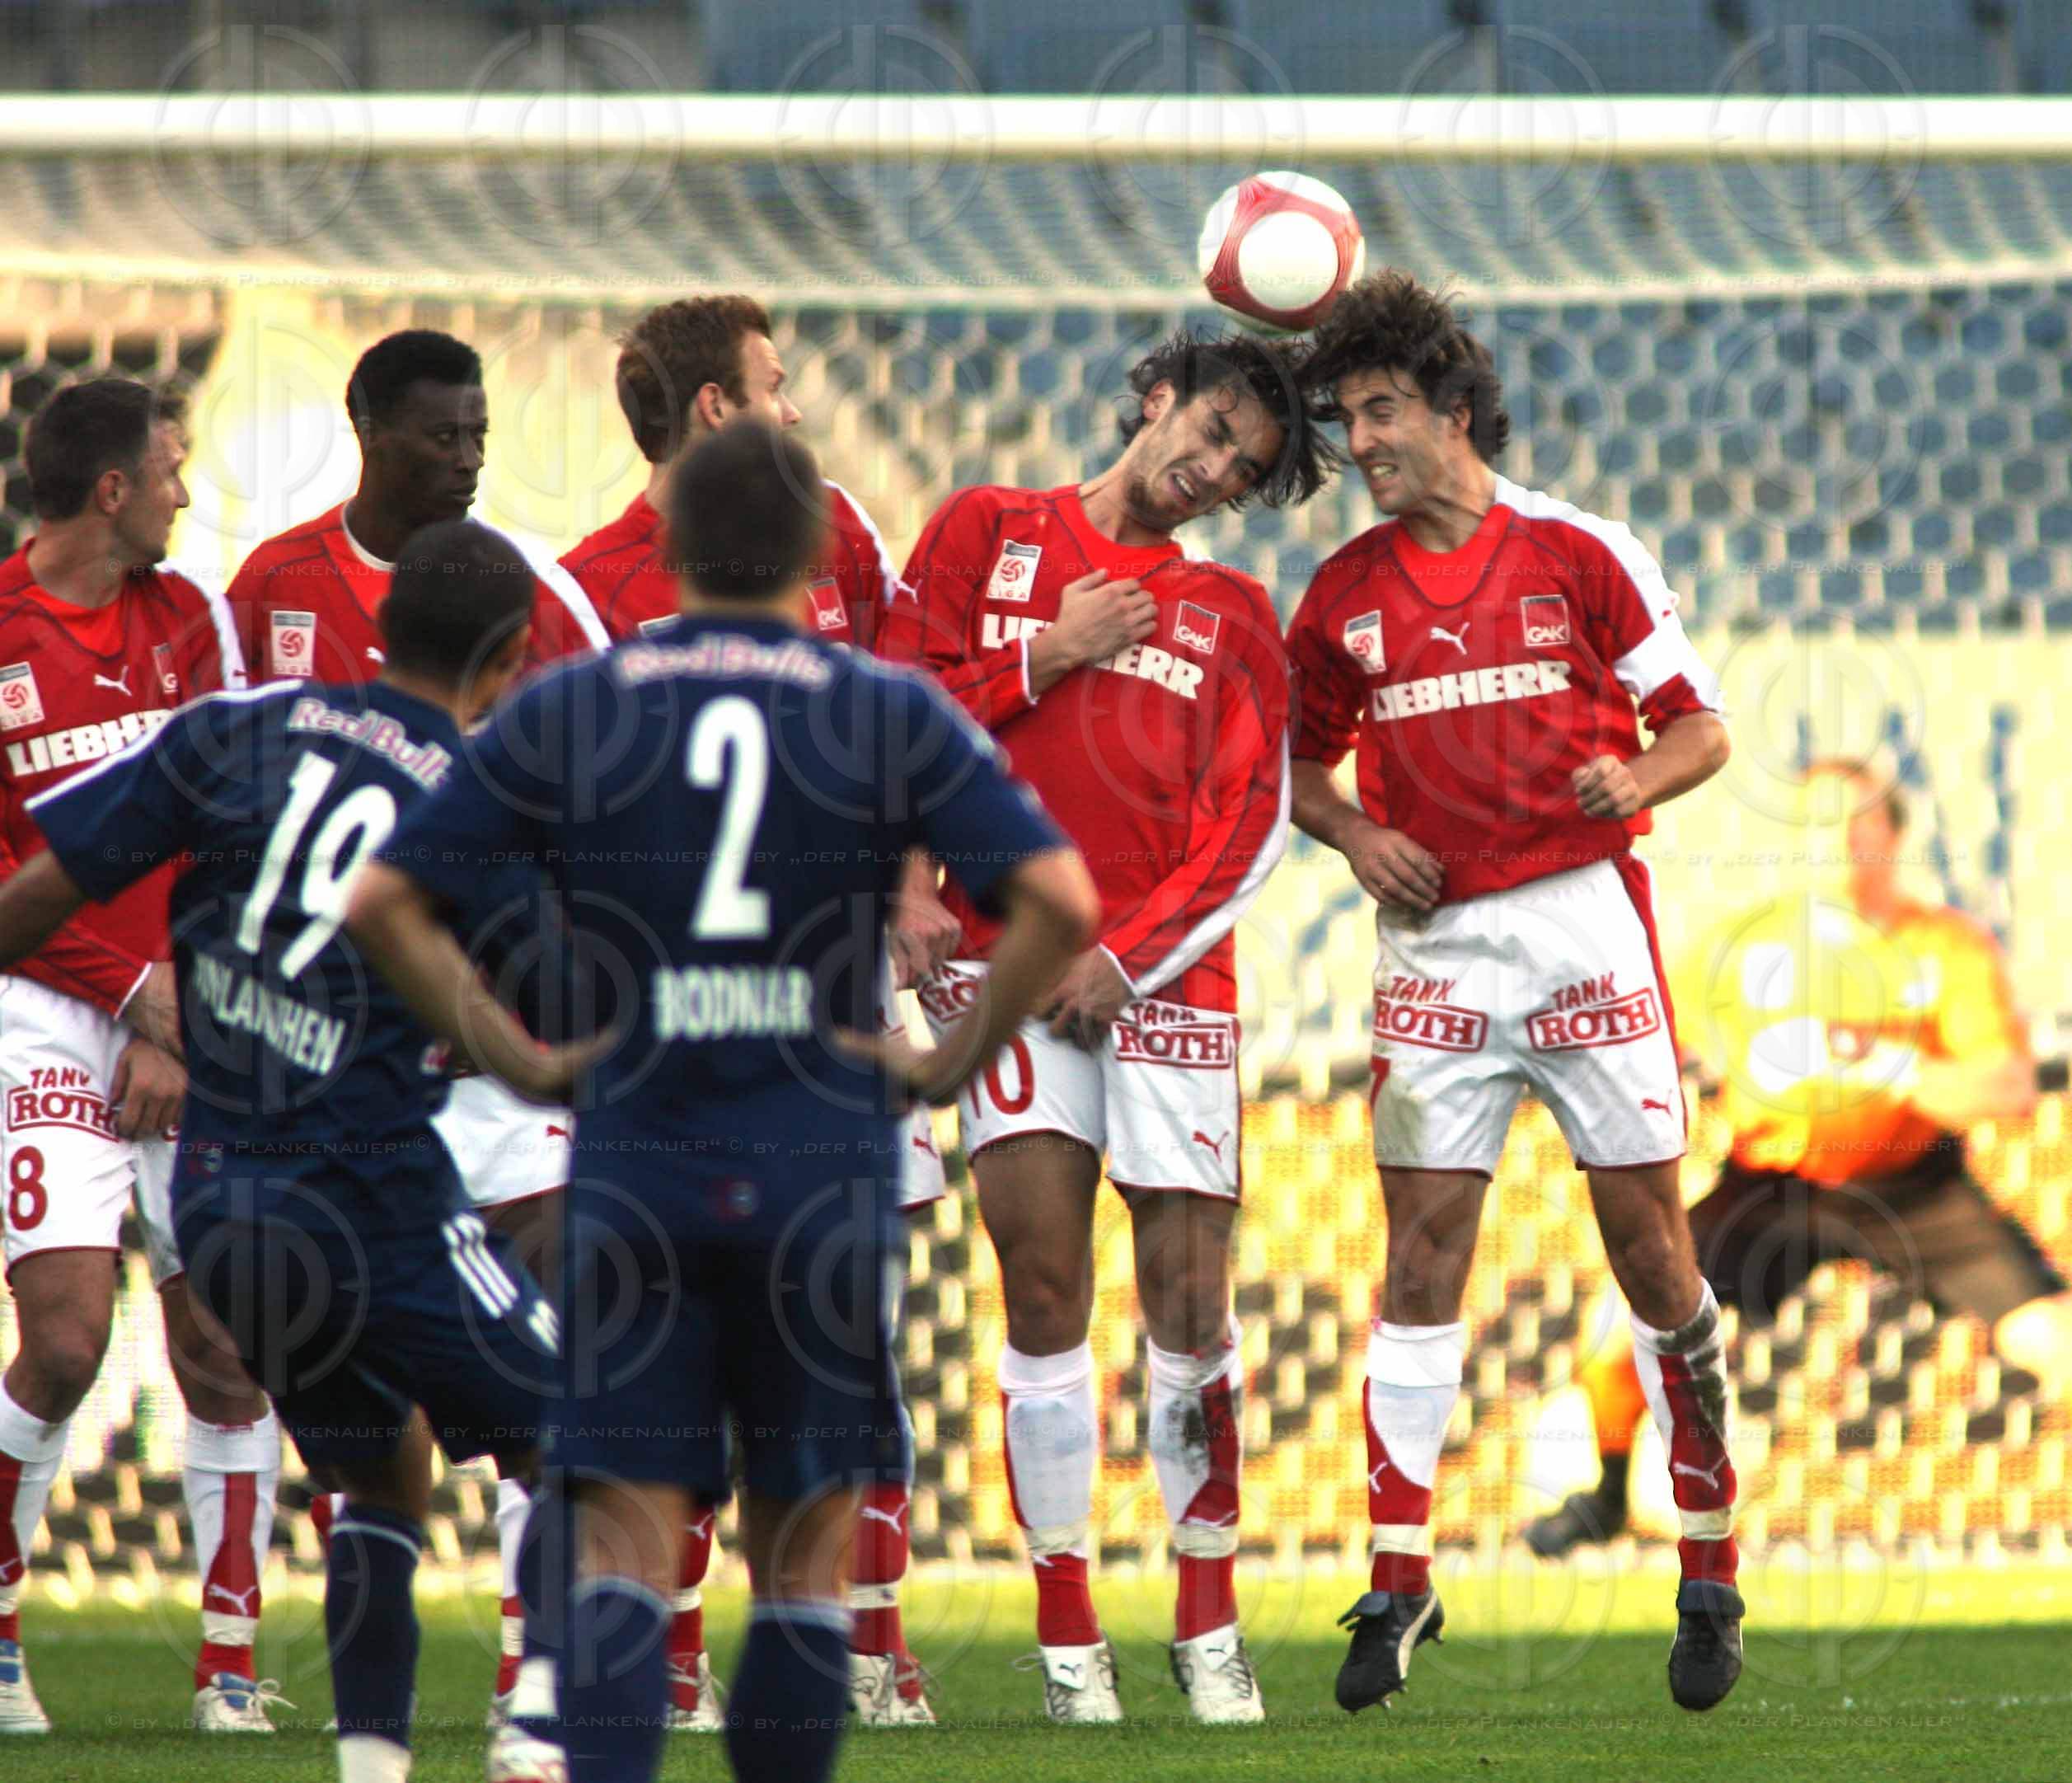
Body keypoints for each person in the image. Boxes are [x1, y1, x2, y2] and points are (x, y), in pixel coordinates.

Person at [348, 419, 1096, 1783]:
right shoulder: (884, 708)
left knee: (625, 1544)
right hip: (817, 1170)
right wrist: (943, 1061)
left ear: (673, 544)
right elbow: (1058, 897)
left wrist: (517, 1052)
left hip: (639, 1167)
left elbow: (386, 897)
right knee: (801, 1561)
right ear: (815, 548)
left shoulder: (579, 703)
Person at [0, 518, 582, 1783]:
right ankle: (539, 1730)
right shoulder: (475, 797)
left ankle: (371, 1766)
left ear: (383, 629)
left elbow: (46, 886)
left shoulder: (233, 726)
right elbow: (541, 1003)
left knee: (378, 1474)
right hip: (374, 1191)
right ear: (505, 663)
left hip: (225, 1202)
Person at [1282, 272, 1740, 1714]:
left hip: (1580, 924)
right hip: (1434, 949)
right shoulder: (1341, 596)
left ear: (1452, 409)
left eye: (1379, 410)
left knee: (1650, 1253)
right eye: (1345, 417)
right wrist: (1355, 833)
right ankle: (1398, 1575)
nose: (1359, 441)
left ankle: (1707, 1557)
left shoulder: (1578, 550)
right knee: (1420, 1260)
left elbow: (1700, 726)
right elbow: (1296, 770)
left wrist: (1635, 772)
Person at [880, 327, 1333, 1724]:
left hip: (1163, 984)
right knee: (1041, 1289)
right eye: (1210, 431)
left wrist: (1129, 958)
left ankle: (1207, 1620)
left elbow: (1249, 823)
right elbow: (891, 720)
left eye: (1241, 468)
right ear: (1154, 396)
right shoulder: (984, 529)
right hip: (1008, 968)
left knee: (1189, 1307)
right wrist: (1044, 653)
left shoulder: (1233, 612)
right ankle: (1068, 1634)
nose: (1212, 470)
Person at [559, 293, 959, 1727]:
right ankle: (671, 1657)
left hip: (836, 999)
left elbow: (908, 706)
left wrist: (907, 885)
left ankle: (868, 1643)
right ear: (716, 408)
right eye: (775, 383)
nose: (796, 407)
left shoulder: (838, 529)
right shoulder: (587, 586)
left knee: (850, 1332)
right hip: (679, 1027)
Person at [222, 327, 607, 1725]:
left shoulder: (532, 590)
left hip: (496, 1036)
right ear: (369, 431)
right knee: (368, 1423)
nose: (463, 459)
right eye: (440, 435)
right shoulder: (269, 589)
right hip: (333, 1059)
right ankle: (340, 1692)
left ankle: (529, 1679)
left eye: (478, 436)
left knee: (550, 1345)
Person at [1525, 758, 2071, 1558]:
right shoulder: (1744, 947)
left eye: (1857, 822)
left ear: (1892, 837)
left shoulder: (1943, 948)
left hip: (1914, 1187)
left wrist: (1880, 1060)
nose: (1837, 841)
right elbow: (1642, 1034)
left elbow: (2009, 1089)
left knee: (2055, 1341)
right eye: (1818, 825)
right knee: (1623, 1320)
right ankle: (1605, 1496)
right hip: (1772, 1185)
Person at [0, 377, 285, 1734]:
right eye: (171, 468)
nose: (185, 489)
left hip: (191, 994)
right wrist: (128, 991)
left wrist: (181, 1000)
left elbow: (235, 829)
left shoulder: (196, 621)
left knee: (226, 1342)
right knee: (64, 1338)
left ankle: (229, 1664)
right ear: (111, 490)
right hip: (44, 1007)